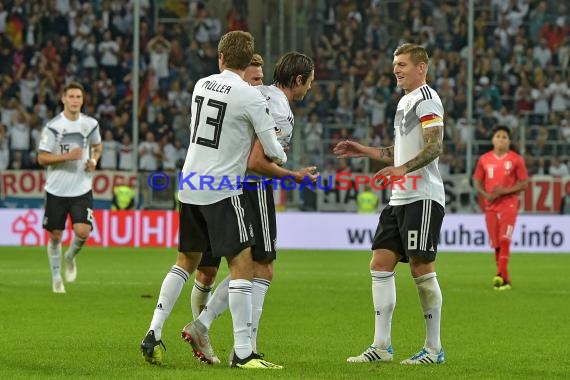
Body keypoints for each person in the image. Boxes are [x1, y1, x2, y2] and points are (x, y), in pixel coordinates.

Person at [139, 31, 286, 369]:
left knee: (185, 262)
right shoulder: (250, 97)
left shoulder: (201, 85)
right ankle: (244, 352)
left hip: (190, 183)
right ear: (247, 61)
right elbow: (274, 150)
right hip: (222, 189)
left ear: (221, 58)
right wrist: (276, 144)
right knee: (243, 265)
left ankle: (154, 330)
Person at [188, 52, 317, 362]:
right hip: (251, 188)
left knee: (247, 267)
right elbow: (256, 161)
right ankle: (239, 346)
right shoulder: (280, 109)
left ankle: (208, 327)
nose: (310, 89)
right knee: (261, 268)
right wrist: (293, 176)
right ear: (298, 80)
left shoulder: (262, 93)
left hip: (223, 185)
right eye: (309, 82)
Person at [333, 43, 446, 365]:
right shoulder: (405, 102)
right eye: (395, 64)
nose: (396, 69)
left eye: (403, 64)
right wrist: (365, 150)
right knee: (380, 263)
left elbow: (434, 145)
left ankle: (434, 349)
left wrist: (402, 169)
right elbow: (398, 151)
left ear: (421, 67)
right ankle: (381, 346)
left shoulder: (427, 99)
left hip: (422, 196)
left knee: (421, 267)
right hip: (400, 198)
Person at [38, 82, 102, 293]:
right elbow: (42, 157)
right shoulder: (53, 126)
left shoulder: (90, 124)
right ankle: (56, 277)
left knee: (83, 231)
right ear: (63, 99)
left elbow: (97, 146)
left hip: (81, 188)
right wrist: (68, 156)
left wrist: (93, 160)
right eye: (71, 96)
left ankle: (70, 256)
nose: (75, 100)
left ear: (82, 100)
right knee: (55, 235)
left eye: (78, 97)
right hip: (56, 189)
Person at [473, 125, 529, 290]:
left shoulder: (516, 159)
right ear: (493, 140)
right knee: (496, 243)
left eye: (504, 137)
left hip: (509, 204)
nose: (501, 139)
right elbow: (477, 181)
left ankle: (500, 275)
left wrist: (504, 191)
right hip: (490, 206)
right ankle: (506, 278)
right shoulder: (484, 159)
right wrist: (485, 194)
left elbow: (524, 183)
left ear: (509, 141)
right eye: (498, 136)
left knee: (505, 239)